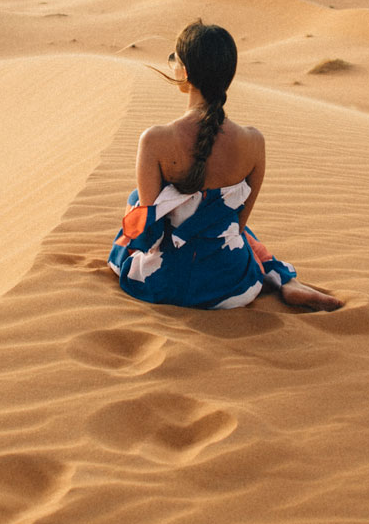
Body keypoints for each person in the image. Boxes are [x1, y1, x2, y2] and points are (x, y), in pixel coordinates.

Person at [109, 19, 342, 311]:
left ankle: (282, 278)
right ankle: (284, 279)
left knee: (136, 204)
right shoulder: (254, 142)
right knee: (223, 217)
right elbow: (239, 225)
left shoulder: (155, 140)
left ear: (185, 72)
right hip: (229, 286)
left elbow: (149, 235)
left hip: (160, 284)